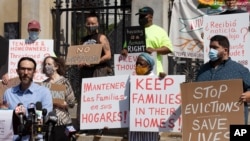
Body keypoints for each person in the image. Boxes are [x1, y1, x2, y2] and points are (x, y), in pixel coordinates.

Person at [195, 35, 250, 124]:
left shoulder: (239, 70)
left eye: (215, 48)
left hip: (233, 122)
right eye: (210, 48)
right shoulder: (202, 70)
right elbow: (196, 92)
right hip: (208, 125)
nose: (211, 51)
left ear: (225, 50)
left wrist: (248, 95)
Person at [2, 57, 53, 141]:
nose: (26, 73)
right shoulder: (8, 93)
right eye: (22, 69)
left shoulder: (44, 92)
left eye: (29, 69)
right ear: (17, 71)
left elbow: (46, 118)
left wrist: (27, 114)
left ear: (34, 72)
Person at [121, 6, 173, 74]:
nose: (140, 18)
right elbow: (127, 47)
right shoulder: (133, 31)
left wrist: (154, 50)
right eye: (140, 16)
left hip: (154, 72)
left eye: (143, 16)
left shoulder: (160, 31)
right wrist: (124, 50)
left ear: (151, 17)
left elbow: (168, 48)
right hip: (135, 72)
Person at [129, 52, 165, 141]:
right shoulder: (131, 79)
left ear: (149, 66)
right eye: (137, 63)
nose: (138, 65)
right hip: (135, 121)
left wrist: (164, 80)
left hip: (150, 122)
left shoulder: (156, 80)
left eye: (141, 63)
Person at [41, 56, 76, 141]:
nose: (46, 66)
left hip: (63, 122)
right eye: (45, 64)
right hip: (48, 123)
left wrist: (63, 104)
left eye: (49, 64)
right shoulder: (43, 84)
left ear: (56, 67)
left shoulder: (64, 82)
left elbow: (72, 103)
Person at [79, 11, 112, 78]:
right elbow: (80, 55)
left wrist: (95, 62)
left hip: (99, 72)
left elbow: (108, 55)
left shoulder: (102, 38)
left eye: (93, 23)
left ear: (97, 24)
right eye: (88, 23)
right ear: (85, 24)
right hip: (85, 72)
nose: (90, 26)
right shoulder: (83, 40)